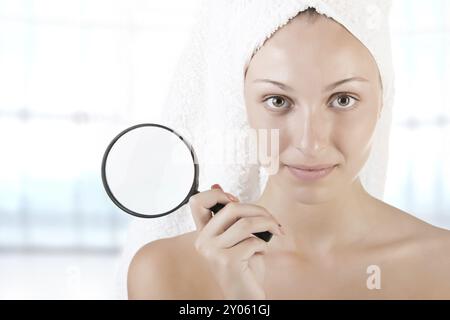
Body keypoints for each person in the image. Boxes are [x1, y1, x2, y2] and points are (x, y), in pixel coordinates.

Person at [126, 6, 450, 299]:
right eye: (278, 101)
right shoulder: (165, 273)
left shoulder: (442, 267)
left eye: (343, 99)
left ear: (383, 100)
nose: (310, 144)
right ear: (243, 107)